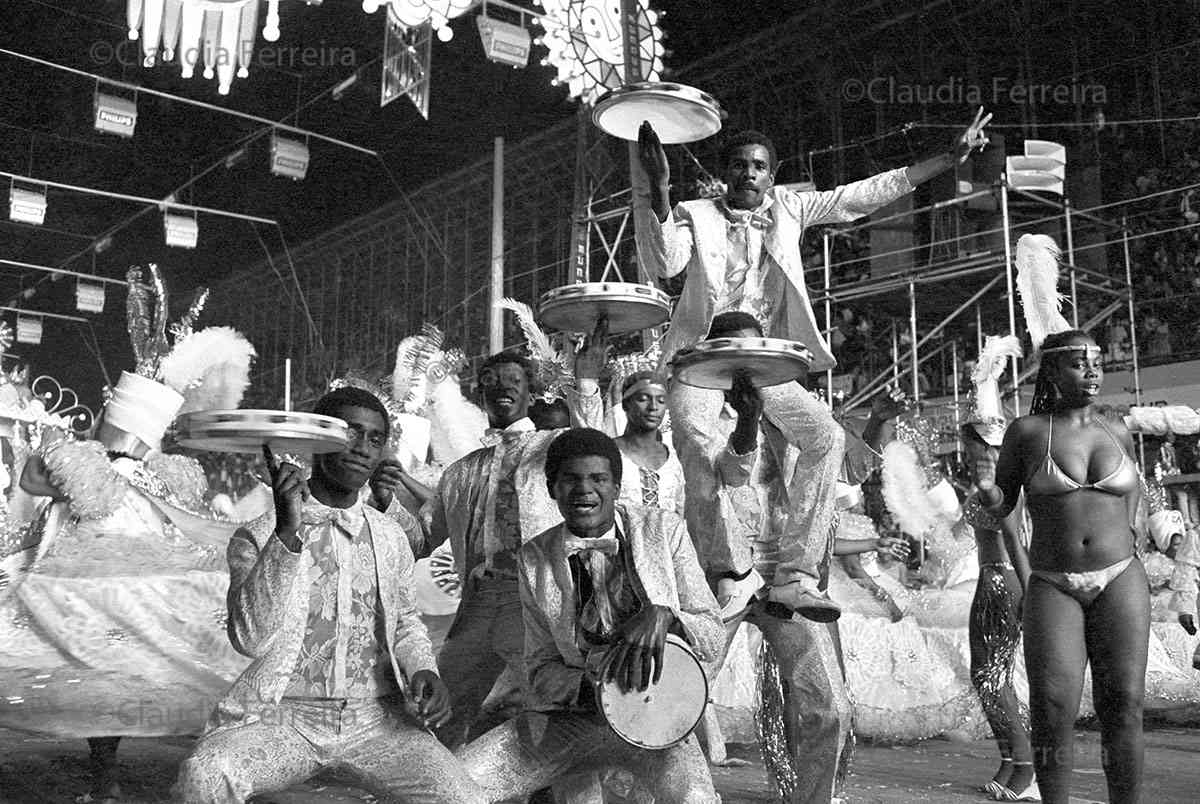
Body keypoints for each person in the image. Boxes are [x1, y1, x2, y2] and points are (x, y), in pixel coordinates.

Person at [634, 109, 992, 618]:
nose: (749, 173)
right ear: (727, 172)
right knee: (695, 442)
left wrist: (946, 161)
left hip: (765, 358)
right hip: (703, 355)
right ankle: (730, 572)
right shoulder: (696, 212)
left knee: (825, 437)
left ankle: (796, 576)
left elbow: (862, 195)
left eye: (759, 166)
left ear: (771, 175)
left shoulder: (790, 207)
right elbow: (665, 263)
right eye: (739, 165)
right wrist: (660, 188)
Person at [174, 387, 484, 804]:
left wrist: (424, 670)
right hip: (283, 721)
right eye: (350, 434)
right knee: (206, 773)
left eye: (375, 438)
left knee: (462, 796)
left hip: (380, 724)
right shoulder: (260, 534)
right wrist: (287, 533)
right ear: (317, 442)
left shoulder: (391, 535)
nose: (363, 449)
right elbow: (250, 640)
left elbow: (406, 622)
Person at [458, 428, 724, 803]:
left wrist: (667, 617)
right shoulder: (534, 559)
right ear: (552, 488)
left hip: (659, 724)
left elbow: (714, 635)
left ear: (616, 487)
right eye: (570, 479)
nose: (584, 490)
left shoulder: (665, 531)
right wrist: (594, 687)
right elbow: (540, 667)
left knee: (695, 799)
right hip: (571, 721)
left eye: (598, 479)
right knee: (454, 785)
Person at [977, 330, 1147, 804]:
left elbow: (1133, 489)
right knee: (1054, 709)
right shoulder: (1027, 432)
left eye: (1096, 361)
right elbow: (1002, 505)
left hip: (1121, 575)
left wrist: (1131, 532)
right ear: (1052, 370)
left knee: (1125, 707)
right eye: (1077, 363)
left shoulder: (1118, 428)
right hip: (1054, 581)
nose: (1092, 371)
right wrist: (988, 492)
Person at [420, 323, 607, 747]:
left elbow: (594, 444)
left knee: (551, 713)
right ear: (479, 393)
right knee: (442, 707)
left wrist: (589, 383)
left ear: (530, 392)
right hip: (480, 602)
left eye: (514, 380)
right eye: (490, 381)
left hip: (537, 600)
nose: (501, 387)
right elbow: (423, 537)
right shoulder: (461, 472)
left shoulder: (553, 448)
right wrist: (381, 496)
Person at [962, 424, 1035, 801]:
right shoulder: (982, 486)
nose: (975, 460)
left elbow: (1014, 539)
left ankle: (1026, 765)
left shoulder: (1005, 488)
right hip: (988, 579)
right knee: (986, 676)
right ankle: (1010, 757)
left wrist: (1029, 594)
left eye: (982, 453)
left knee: (994, 676)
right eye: (971, 454)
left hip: (1005, 583)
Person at [613, 371, 684, 516]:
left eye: (661, 401)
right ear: (626, 405)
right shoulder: (610, 452)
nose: (653, 407)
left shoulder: (675, 459)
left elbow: (682, 513)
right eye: (643, 399)